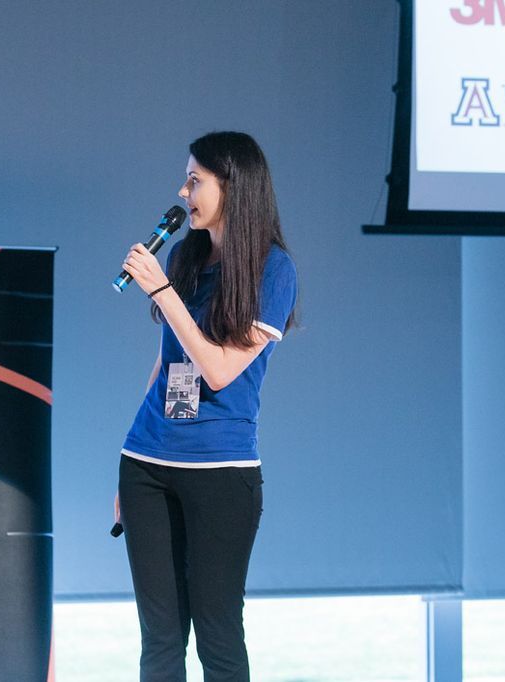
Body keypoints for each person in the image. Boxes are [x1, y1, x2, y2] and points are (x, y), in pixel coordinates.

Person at [115, 131, 298, 682]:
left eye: (195, 180)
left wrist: (162, 291)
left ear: (232, 187)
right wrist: (132, 454)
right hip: (147, 463)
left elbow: (219, 369)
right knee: (160, 640)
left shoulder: (273, 270)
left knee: (217, 635)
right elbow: (169, 361)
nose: (183, 191)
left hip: (220, 470)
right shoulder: (185, 256)